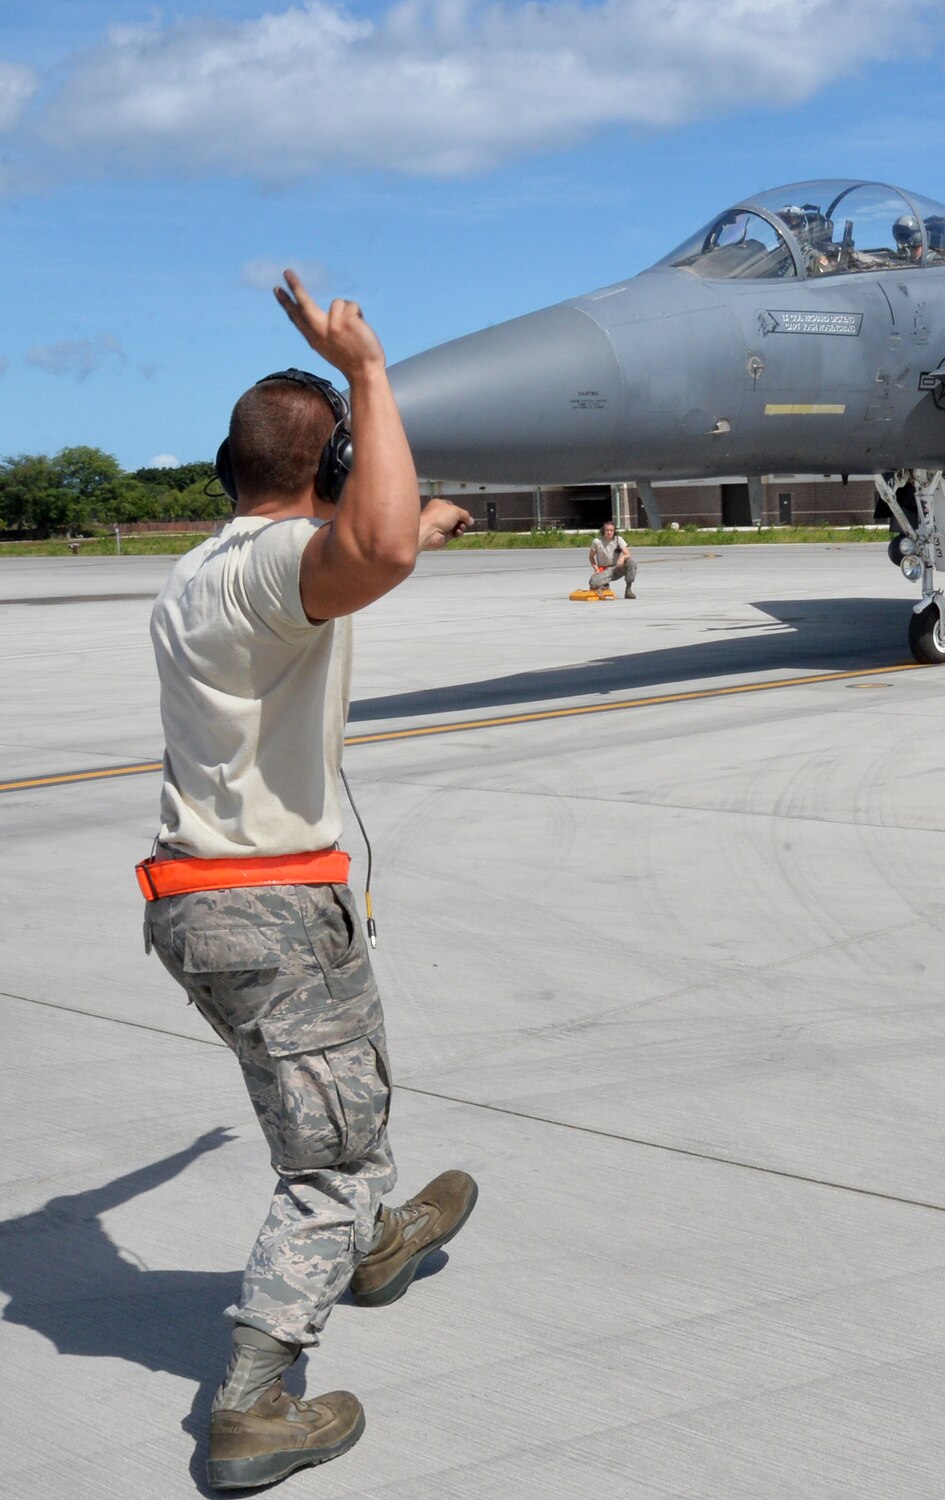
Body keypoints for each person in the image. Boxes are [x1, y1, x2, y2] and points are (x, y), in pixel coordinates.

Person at [139, 269, 479, 1491]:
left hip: (221, 906)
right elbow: (366, 548)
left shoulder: (205, 572)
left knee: (347, 1088)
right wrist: (370, 375)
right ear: (328, 471)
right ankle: (251, 1403)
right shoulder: (274, 572)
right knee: (322, 1157)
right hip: (267, 907)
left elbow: (376, 544)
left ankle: (375, 1244)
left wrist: (427, 522)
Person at [588, 518, 638, 597]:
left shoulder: (618, 540)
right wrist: (596, 569)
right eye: (607, 530)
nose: (609, 532)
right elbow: (591, 557)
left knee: (631, 563)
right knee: (593, 582)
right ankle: (604, 585)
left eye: (611, 530)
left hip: (616, 568)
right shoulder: (597, 542)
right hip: (604, 570)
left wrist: (622, 558)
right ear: (603, 530)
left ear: (614, 531)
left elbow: (628, 554)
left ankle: (628, 589)